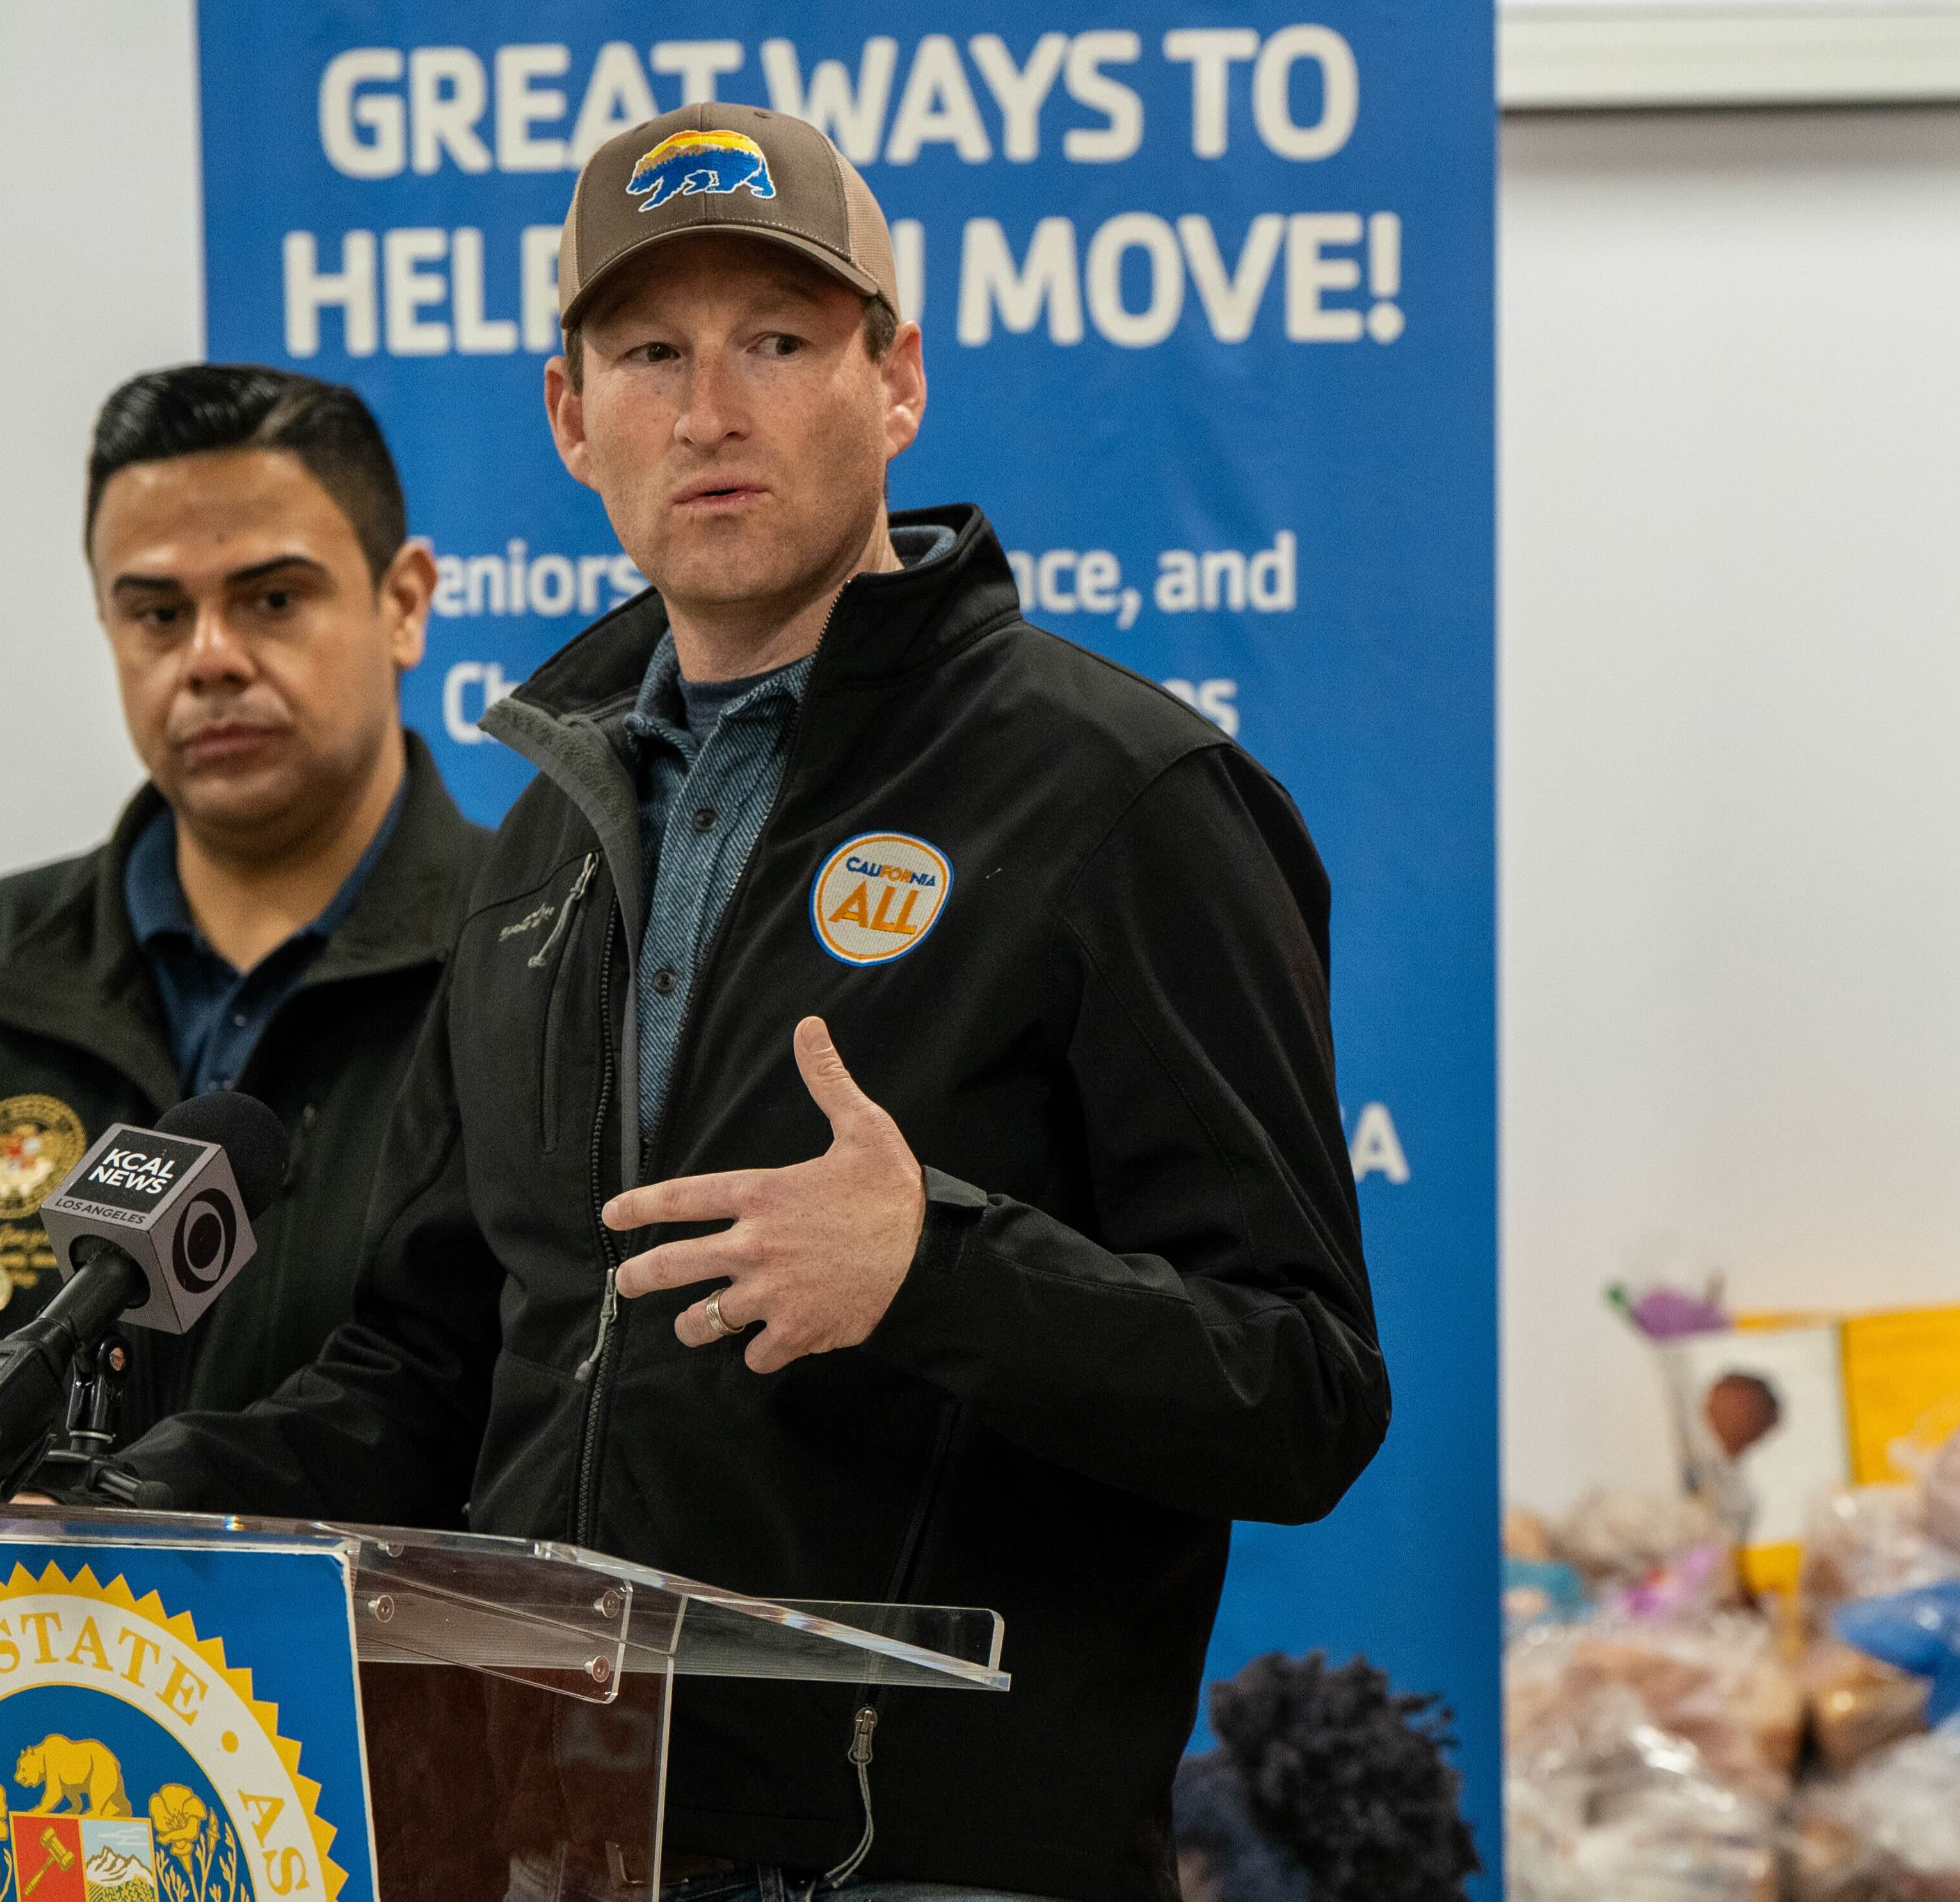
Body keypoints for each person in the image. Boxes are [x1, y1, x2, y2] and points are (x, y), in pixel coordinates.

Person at [104, 103, 1388, 1902]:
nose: (710, 410)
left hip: (930, 1869)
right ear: (571, 415)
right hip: (541, 1838)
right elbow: (431, 1357)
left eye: (778, 340)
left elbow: (1308, 1390)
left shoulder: (1124, 798)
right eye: (649, 352)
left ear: (898, 377)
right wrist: (128, 1506)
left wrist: (935, 1267)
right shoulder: (547, 839)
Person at [0, 367, 484, 1495]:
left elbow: (508, 1413)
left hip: (372, 1668)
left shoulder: (528, 952)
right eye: (158, 613)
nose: (209, 658)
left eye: (273, 600)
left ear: (404, 604)